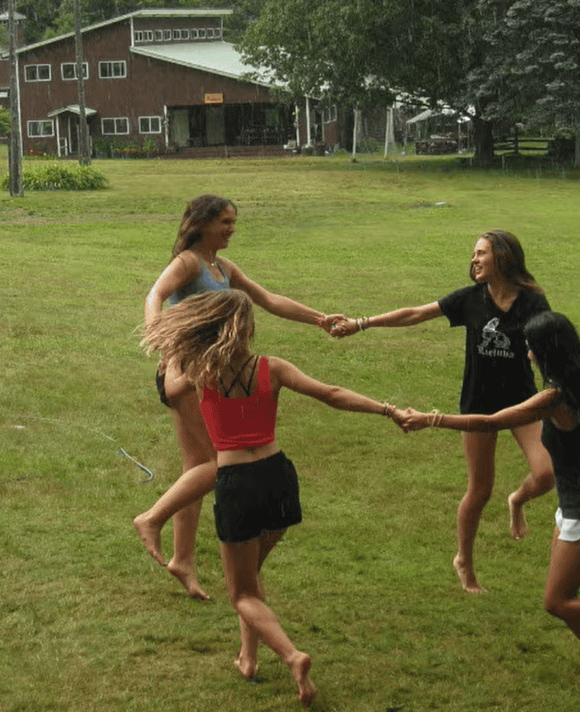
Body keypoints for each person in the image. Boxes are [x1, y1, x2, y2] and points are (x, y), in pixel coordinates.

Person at [142, 289, 404, 707]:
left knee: (242, 594)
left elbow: (171, 390)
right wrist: (390, 410)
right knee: (253, 572)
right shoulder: (273, 367)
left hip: (237, 485)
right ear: (247, 330)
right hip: (278, 477)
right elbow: (332, 393)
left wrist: (176, 349)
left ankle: (291, 655)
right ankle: (248, 658)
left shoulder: (201, 372)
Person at [398, 311, 580, 683]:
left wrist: (431, 419)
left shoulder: (556, 398)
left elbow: (491, 422)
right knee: (567, 598)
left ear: (546, 350)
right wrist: (517, 501)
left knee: (557, 601)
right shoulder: (578, 383)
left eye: (530, 345)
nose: (525, 351)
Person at [326, 230, 554, 593]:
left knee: (546, 473)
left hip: (521, 401)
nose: (474, 260)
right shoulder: (470, 299)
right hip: (478, 402)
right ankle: (463, 558)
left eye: (481, 253)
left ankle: (517, 500)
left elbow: (549, 346)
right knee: (479, 491)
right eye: (473, 254)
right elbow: (415, 313)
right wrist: (361, 323)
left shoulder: (532, 302)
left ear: (502, 257)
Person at [134, 194, 334, 600]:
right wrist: (159, 336)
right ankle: (151, 519)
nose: (230, 229)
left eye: (233, 222)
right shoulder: (189, 262)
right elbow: (153, 296)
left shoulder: (222, 268)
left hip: (205, 376)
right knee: (217, 464)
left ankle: (182, 560)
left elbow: (269, 299)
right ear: (202, 222)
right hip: (188, 375)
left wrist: (320, 319)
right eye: (224, 222)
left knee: (196, 467)